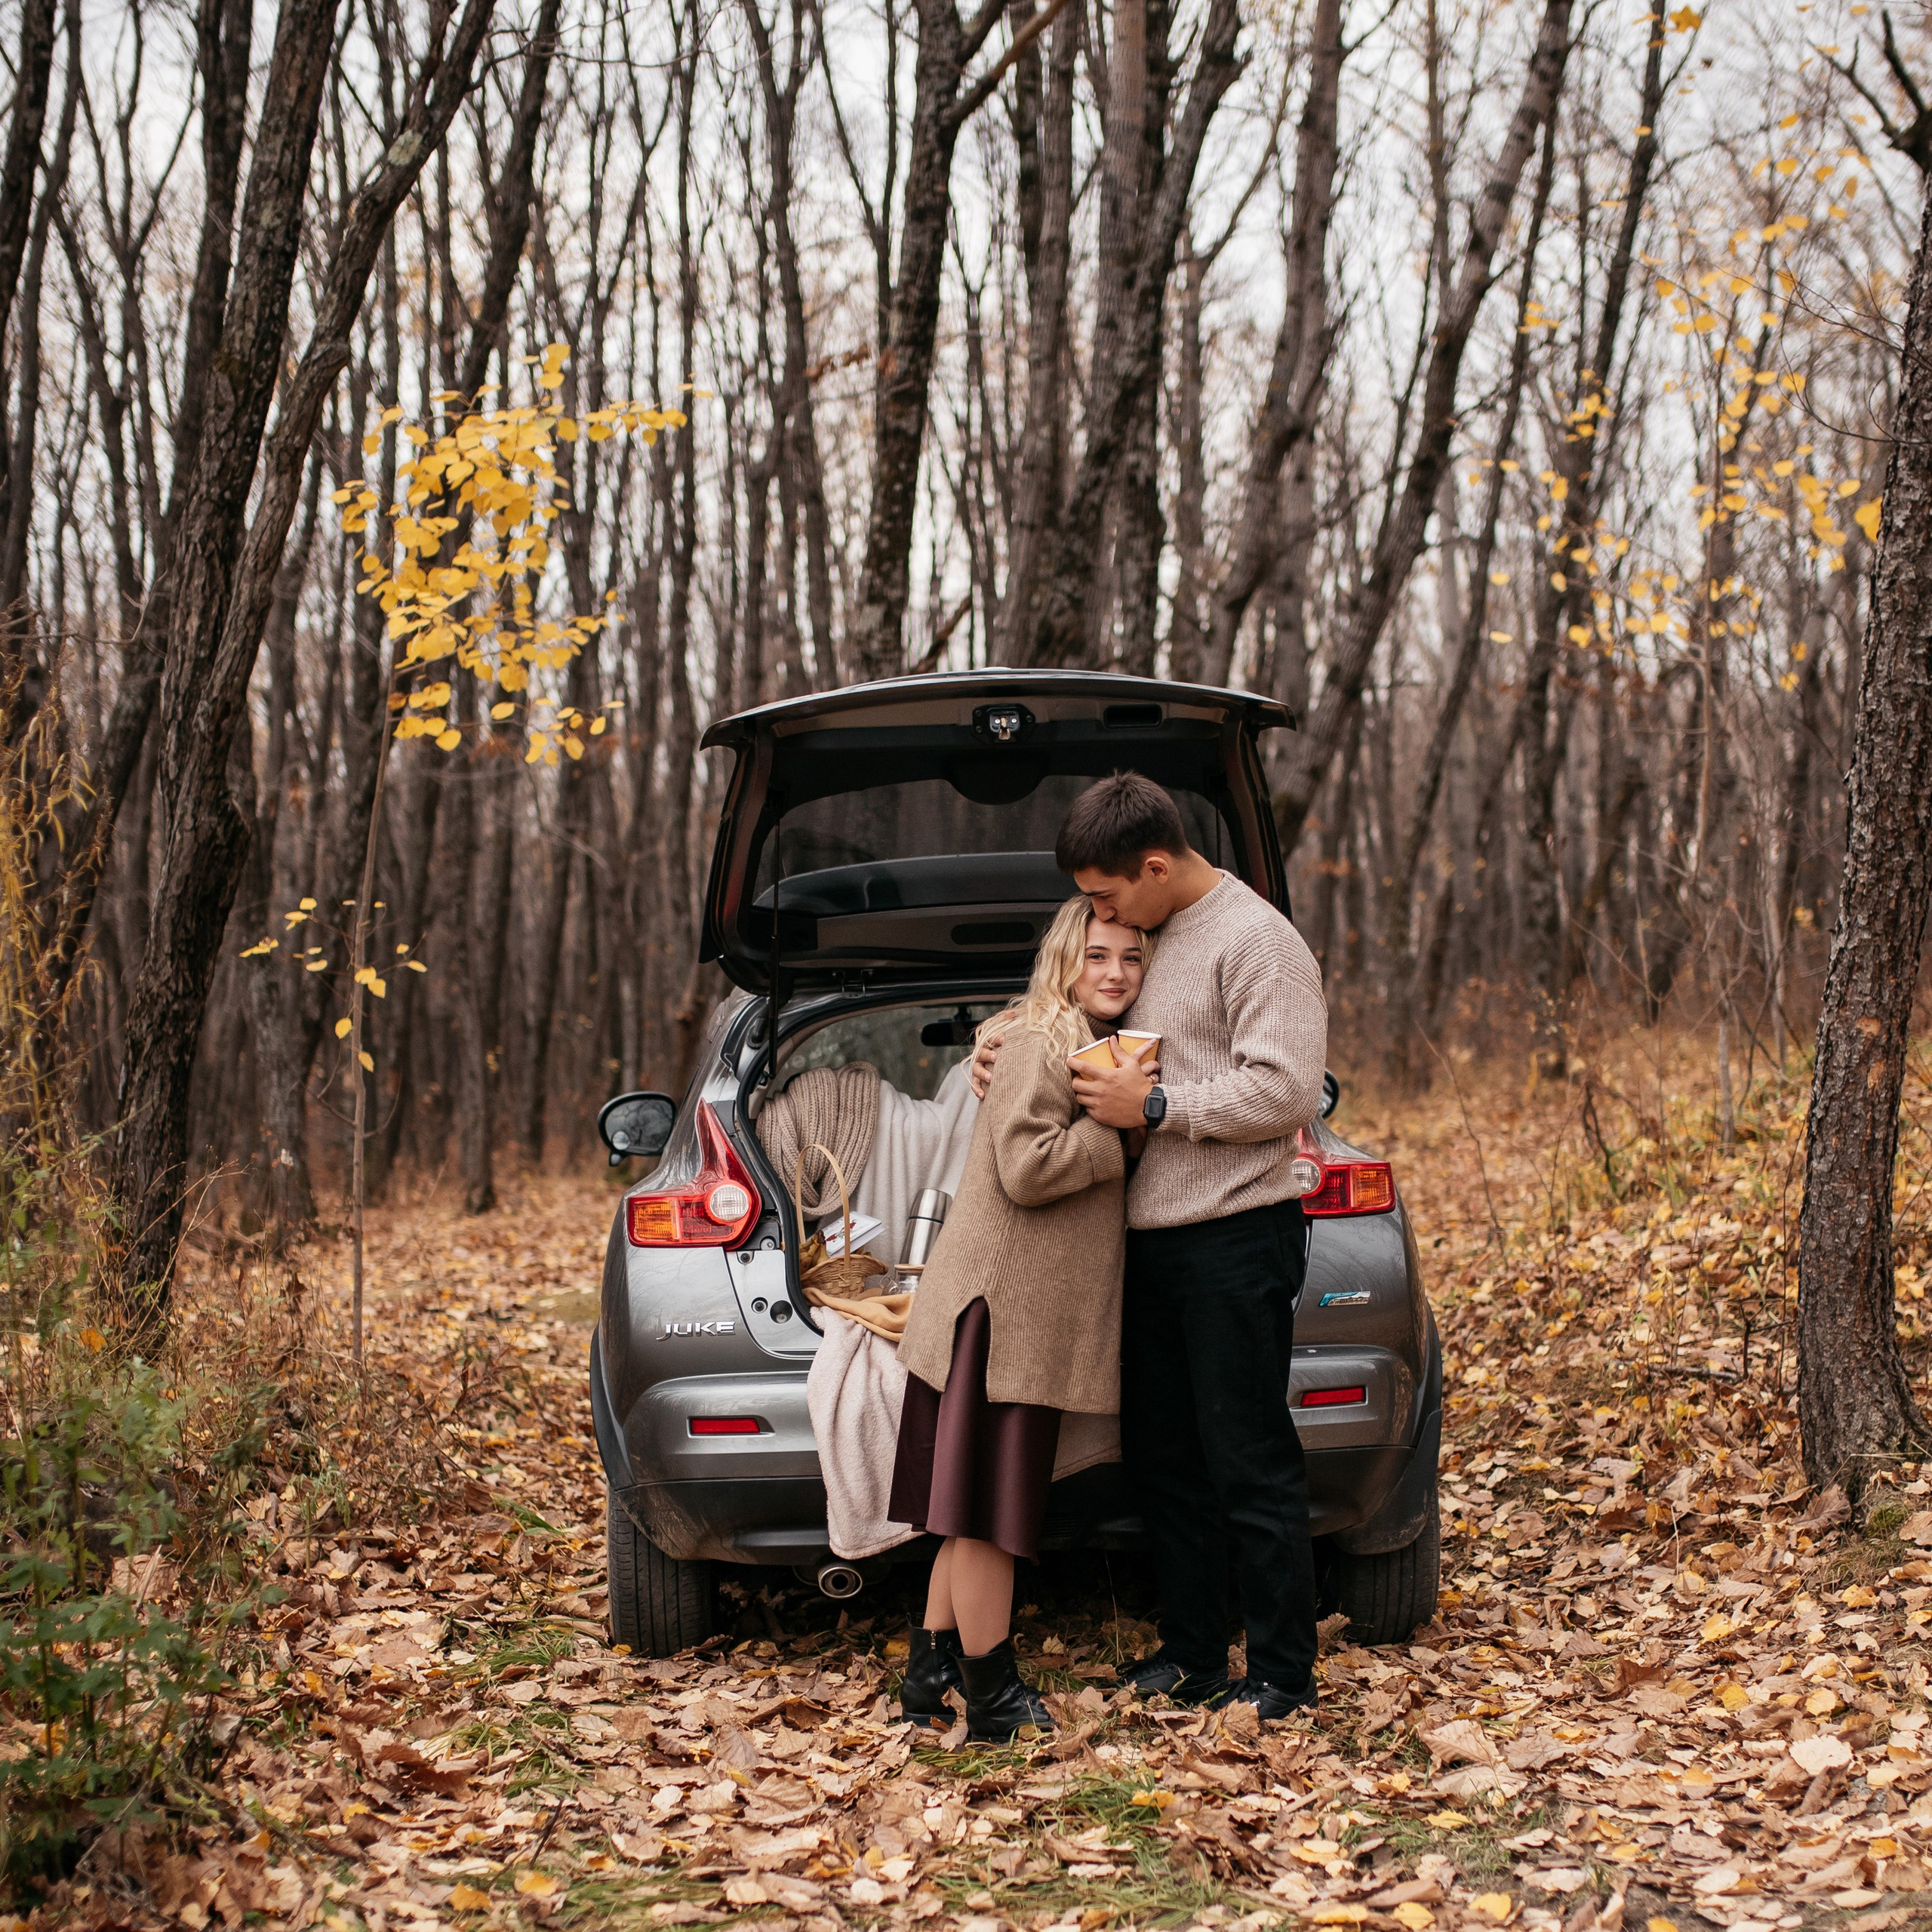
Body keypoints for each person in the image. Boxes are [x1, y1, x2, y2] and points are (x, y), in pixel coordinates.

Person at [972, 772, 1328, 1719]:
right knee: (1166, 1460)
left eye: (1106, 893)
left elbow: (1287, 1089)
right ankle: (1193, 1656)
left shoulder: (1259, 943)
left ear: (1157, 865)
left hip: (1235, 1235)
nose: (1100, 913)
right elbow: (1078, 1002)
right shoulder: (1149, 932)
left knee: (1246, 1455)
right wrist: (994, 1040)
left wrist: (1159, 1107)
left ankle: (1283, 1675)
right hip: (1147, 1247)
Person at [888, 896, 1157, 1742]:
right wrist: (1121, 1135)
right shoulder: (1043, 1037)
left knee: (966, 1510)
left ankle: (929, 1681)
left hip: (1009, 1319)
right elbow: (1027, 1165)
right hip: (999, 1322)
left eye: (1131, 958)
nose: (1114, 972)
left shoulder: (1068, 1036)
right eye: (1098, 955)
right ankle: (995, 1697)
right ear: (1064, 958)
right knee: (989, 1521)